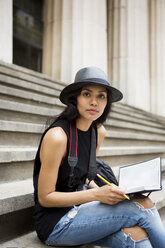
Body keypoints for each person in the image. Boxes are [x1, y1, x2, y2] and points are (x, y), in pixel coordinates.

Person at [33, 67, 165, 248]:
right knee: (142, 204)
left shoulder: (98, 132)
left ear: (107, 102)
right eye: (87, 94)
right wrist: (96, 194)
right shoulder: (58, 136)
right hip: (56, 224)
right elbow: (45, 197)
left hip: (81, 211)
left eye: (101, 96)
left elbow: (84, 174)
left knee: (138, 236)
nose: (94, 102)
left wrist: (111, 191)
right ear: (75, 99)